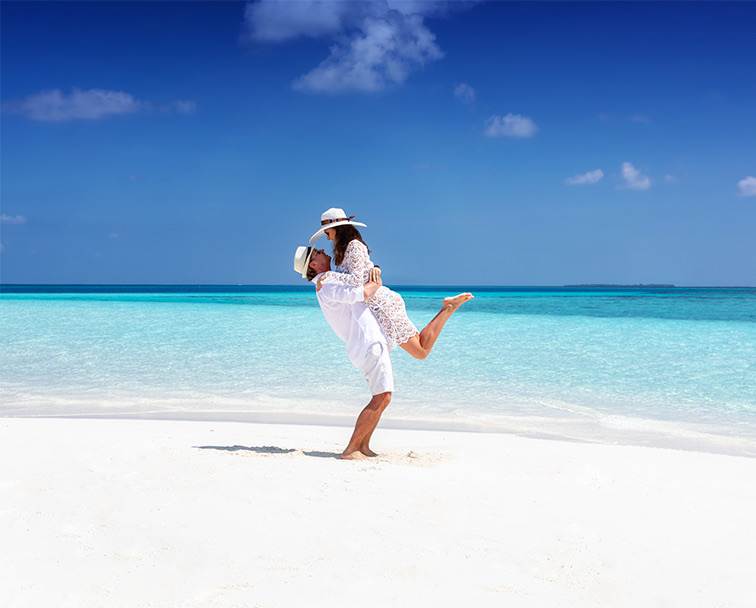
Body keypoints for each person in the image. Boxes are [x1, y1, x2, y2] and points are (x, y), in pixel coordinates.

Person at [309, 208, 474, 360]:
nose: (328, 237)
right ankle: (448, 307)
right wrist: (373, 268)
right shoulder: (344, 251)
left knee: (421, 351)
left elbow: (357, 281)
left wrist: (330, 275)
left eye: (327, 233)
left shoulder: (354, 246)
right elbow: (362, 272)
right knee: (419, 347)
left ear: (337, 228)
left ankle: (448, 308)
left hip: (382, 305)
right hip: (376, 305)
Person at [294, 244, 391, 460]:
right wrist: (376, 281)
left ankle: (363, 446)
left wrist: (372, 269)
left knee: (382, 395)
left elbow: (356, 281)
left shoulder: (329, 280)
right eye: (318, 252)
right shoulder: (326, 284)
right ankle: (352, 449)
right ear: (313, 264)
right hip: (367, 340)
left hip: (365, 340)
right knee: (382, 396)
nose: (323, 251)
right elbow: (362, 292)